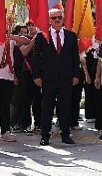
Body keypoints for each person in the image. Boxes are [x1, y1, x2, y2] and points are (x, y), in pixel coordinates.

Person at [32, 8, 81, 146]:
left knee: (65, 107)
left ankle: (65, 134)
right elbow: (36, 58)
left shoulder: (71, 36)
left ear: (63, 18)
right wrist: (36, 75)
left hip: (66, 78)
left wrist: (76, 74)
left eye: (59, 17)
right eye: (54, 18)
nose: (57, 20)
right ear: (49, 20)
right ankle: (45, 135)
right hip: (48, 78)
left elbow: (75, 57)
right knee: (47, 107)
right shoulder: (42, 36)